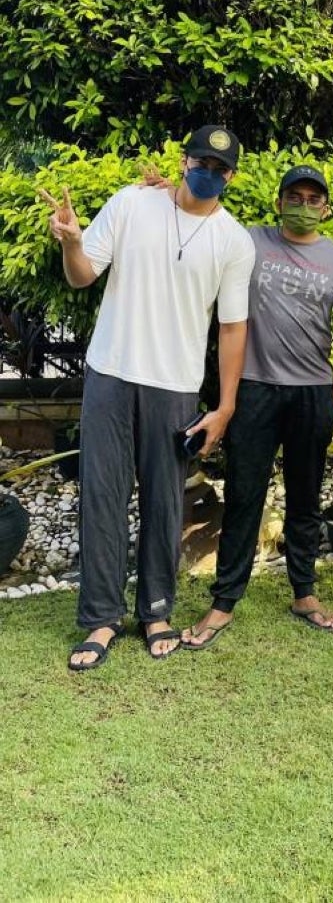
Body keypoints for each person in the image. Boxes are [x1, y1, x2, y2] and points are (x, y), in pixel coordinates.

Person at [42, 126, 255, 671]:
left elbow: (233, 329)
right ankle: (100, 618)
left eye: (221, 167)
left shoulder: (234, 241)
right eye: (201, 160)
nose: (209, 171)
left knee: (164, 501)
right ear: (184, 160)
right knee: (103, 496)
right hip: (111, 372)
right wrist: (71, 241)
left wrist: (225, 405)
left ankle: (156, 611)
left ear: (231, 176)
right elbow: (83, 276)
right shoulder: (133, 203)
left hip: (176, 384)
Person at [181, 164, 333, 651]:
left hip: (311, 393)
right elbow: (200, 213)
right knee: (244, 494)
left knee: (305, 498)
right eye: (294, 196)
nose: (303, 205)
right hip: (255, 388)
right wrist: (163, 191)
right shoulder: (248, 240)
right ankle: (224, 600)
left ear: (326, 206)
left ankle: (304, 593)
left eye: (313, 198)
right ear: (279, 201)